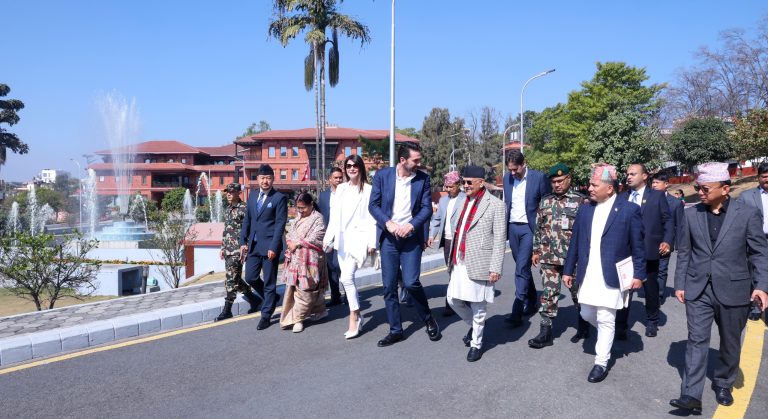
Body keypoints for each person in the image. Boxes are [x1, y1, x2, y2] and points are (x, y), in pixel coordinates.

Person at [670, 162, 768, 414]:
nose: (700, 192)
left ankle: (723, 382)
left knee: (730, 342)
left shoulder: (747, 214)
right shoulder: (691, 214)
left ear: (725, 189)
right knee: (696, 340)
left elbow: (759, 253)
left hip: (735, 289)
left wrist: (761, 286)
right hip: (698, 289)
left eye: (705, 188)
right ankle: (690, 394)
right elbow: (684, 252)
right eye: (697, 188)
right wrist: (680, 284)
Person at [563, 163, 646, 383]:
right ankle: (606, 333)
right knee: (586, 313)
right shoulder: (585, 209)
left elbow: (638, 246)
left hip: (612, 274)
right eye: (590, 184)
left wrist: (639, 274)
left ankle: (601, 362)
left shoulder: (629, 210)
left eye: (594, 185)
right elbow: (575, 242)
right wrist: (568, 269)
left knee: (606, 317)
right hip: (589, 273)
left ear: (609, 188)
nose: (589, 188)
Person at [368, 142, 441, 347]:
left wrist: (411, 225)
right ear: (402, 160)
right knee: (389, 286)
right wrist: (388, 223)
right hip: (389, 239)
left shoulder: (423, 179)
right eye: (415, 160)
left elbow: (426, 209)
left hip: (411, 238)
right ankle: (396, 330)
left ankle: (428, 318)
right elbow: (373, 205)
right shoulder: (382, 176)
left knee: (411, 282)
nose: (419, 163)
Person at [446, 165, 506, 362]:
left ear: (481, 182)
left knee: (478, 307)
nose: (465, 185)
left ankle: (476, 344)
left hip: (481, 261)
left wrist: (495, 267)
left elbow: (499, 239)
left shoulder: (496, 205)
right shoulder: (461, 201)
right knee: (452, 300)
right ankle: (475, 326)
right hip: (459, 260)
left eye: (469, 182)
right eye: (463, 182)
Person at [529, 163, 588, 348]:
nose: (557, 184)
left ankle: (584, 324)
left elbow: (587, 231)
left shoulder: (581, 201)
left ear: (569, 179)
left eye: (560, 181)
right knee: (548, 294)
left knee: (578, 294)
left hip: (573, 259)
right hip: (549, 257)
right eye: (554, 182)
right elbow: (538, 228)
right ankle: (545, 333)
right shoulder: (545, 201)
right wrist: (536, 250)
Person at [615, 164, 673, 339]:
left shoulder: (657, 196)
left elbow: (667, 220)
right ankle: (621, 325)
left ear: (645, 176)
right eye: (627, 174)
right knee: (625, 290)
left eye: (633, 174)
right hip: (626, 252)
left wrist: (667, 240)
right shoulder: (622, 197)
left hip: (648, 250)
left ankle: (652, 321)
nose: (629, 177)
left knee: (650, 289)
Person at [323, 154, 376, 339]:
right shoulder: (341, 189)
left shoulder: (369, 190)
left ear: (361, 168)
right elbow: (334, 217)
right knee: (346, 279)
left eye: (355, 165)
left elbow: (372, 218)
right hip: (342, 241)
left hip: (359, 240)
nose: (351, 168)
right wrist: (328, 238)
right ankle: (357, 314)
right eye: (348, 166)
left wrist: (372, 242)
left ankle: (353, 316)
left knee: (346, 278)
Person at [503, 149, 551, 327]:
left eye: (515, 169)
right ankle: (531, 301)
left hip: (530, 229)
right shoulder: (507, 179)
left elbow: (547, 205)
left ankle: (517, 309)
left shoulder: (539, 178)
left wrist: (544, 234)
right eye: (510, 170)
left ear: (523, 164)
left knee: (522, 267)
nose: (512, 173)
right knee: (522, 267)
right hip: (512, 228)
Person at [240, 164, 288, 331]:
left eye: (268, 178)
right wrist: (243, 241)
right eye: (262, 178)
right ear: (258, 179)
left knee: (269, 281)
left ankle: (266, 315)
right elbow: (247, 220)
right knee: (250, 277)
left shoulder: (279, 198)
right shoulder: (253, 195)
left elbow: (280, 224)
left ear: (273, 179)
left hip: (269, 247)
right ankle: (272, 298)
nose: (265, 181)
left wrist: (274, 246)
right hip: (253, 246)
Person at [279, 192, 329, 333]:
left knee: (306, 290)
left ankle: (297, 319)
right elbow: (291, 233)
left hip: (311, 260)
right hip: (296, 259)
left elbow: (317, 237)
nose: (300, 211)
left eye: (303, 208)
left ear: (311, 205)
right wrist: (290, 241)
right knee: (297, 288)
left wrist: (297, 243)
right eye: (298, 208)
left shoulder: (318, 219)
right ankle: (319, 310)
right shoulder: (298, 217)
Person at [214, 182, 260, 322]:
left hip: (238, 249)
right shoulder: (228, 208)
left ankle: (227, 310)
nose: (228, 194)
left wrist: (246, 246)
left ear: (238, 193)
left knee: (231, 279)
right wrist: (223, 248)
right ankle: (254, 299)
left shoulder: (244, 208)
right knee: (235, 279)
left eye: (231, 192)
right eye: (227, 192)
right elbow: (226, 230)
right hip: (228, 249)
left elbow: (251, 229)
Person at [427, 170, 466, 317]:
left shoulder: (465, 199)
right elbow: (437, 219)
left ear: (458, 184)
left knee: (460, 272)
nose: (448, 189)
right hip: (447, 241)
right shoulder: (443, 200)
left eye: (451, 186)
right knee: (451, 271)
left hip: (460, 241)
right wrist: (432, 235)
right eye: (446, 186)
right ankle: (454, 301)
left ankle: (453, 303)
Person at [650, 172, 684, 302]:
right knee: (650, 269)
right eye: (653, 182)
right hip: (649, 242)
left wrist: (679, 245)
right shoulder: (647, 200)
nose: (654, 185)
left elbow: (679, 225)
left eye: (657, 182)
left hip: (665, 242)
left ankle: (658, 296)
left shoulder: (675, 203)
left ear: (666, 184)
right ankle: (650, 292)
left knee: (662, 270)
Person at [318, 167, 345, 307]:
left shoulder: (348, 193)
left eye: (340, 177)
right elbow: (319, 215)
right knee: (331, 267)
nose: (339, 180)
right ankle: (335, 296)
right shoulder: (323, 196)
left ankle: (349, 294)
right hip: (328, 236)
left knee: (342, 266)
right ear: (330, 179)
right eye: (336, 178)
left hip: (344, 235)